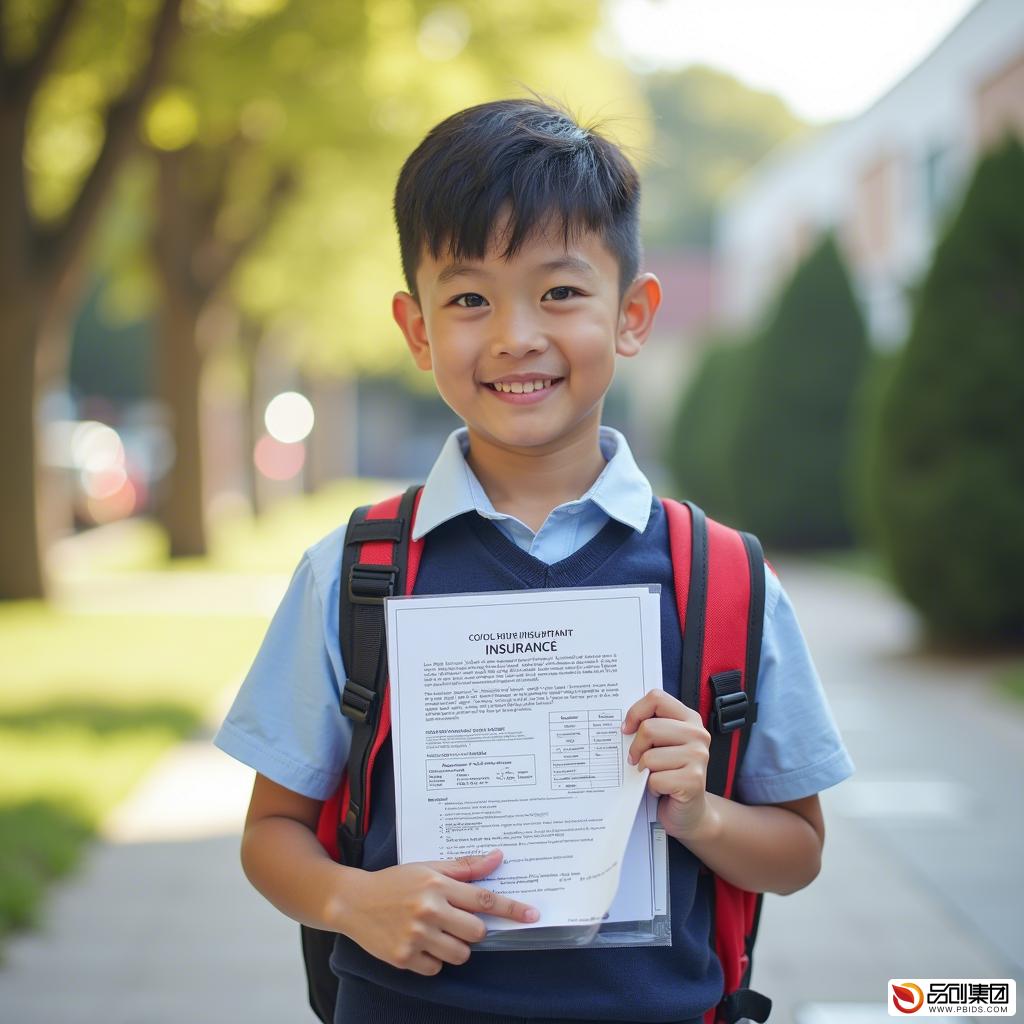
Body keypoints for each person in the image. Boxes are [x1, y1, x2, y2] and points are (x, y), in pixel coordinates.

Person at [214, 96, 855, 1024]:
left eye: (560, 291)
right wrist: (349, 901)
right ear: (417, 329)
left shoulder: (722, 578)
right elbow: (271, 831)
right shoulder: (355, 572)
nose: (516, 334)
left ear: (633, 313)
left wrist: (701, 813)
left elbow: (798, 851)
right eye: (470, 297)